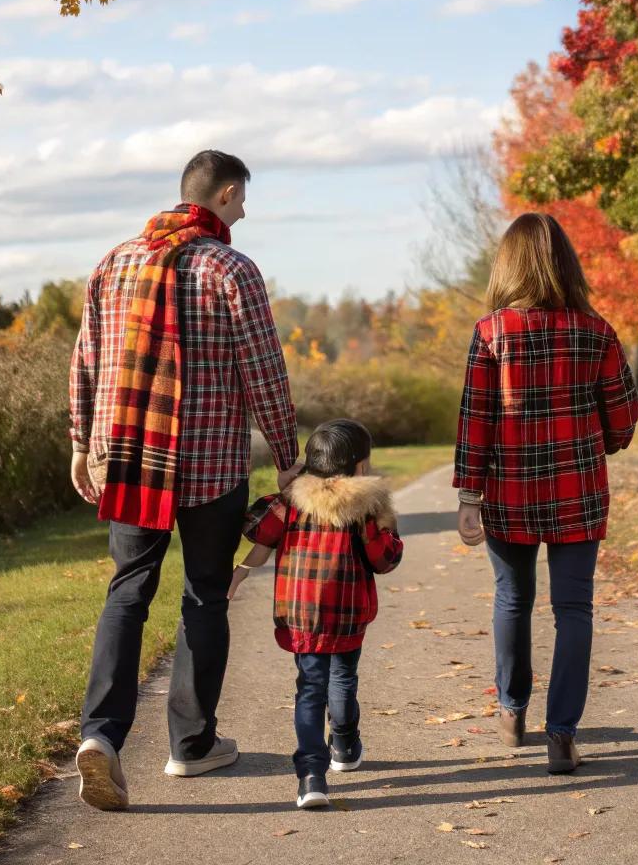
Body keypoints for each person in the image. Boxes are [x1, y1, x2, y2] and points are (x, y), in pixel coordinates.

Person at [69, 149, 299, 812]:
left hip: (130, 459)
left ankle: (100, 737)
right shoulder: (231, 269)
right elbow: (263, 368)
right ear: (226, 194)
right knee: (204, 594)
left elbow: (86, 358)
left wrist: (82, 444)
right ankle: (190, 746)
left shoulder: (114, 262)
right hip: (208, 465)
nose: (245, 214)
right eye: (244, 202)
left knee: (128, 589)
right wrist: (286, 452)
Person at [452, 212, 638, 776]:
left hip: (508, 490)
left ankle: (512, 711)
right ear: (565, 262)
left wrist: (468, 494)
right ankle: (562, 735)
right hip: (577, 489)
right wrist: (593, 441)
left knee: (513, 599)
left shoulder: (491, 333)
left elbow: (474, 419)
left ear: (508, 263)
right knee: (574, 608)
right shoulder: (596, 331)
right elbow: (624, 420)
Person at [230, 418, 404, 810]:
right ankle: (343, 745)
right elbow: (384, 559)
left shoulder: (291, 501)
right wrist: (388, 527)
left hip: (302, 615)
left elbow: (259, 534)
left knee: (309, 688)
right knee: (343, 679)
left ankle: (311, 776)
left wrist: (240, 573)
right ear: (360, 467)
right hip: (347, 615)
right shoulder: (365, 507)